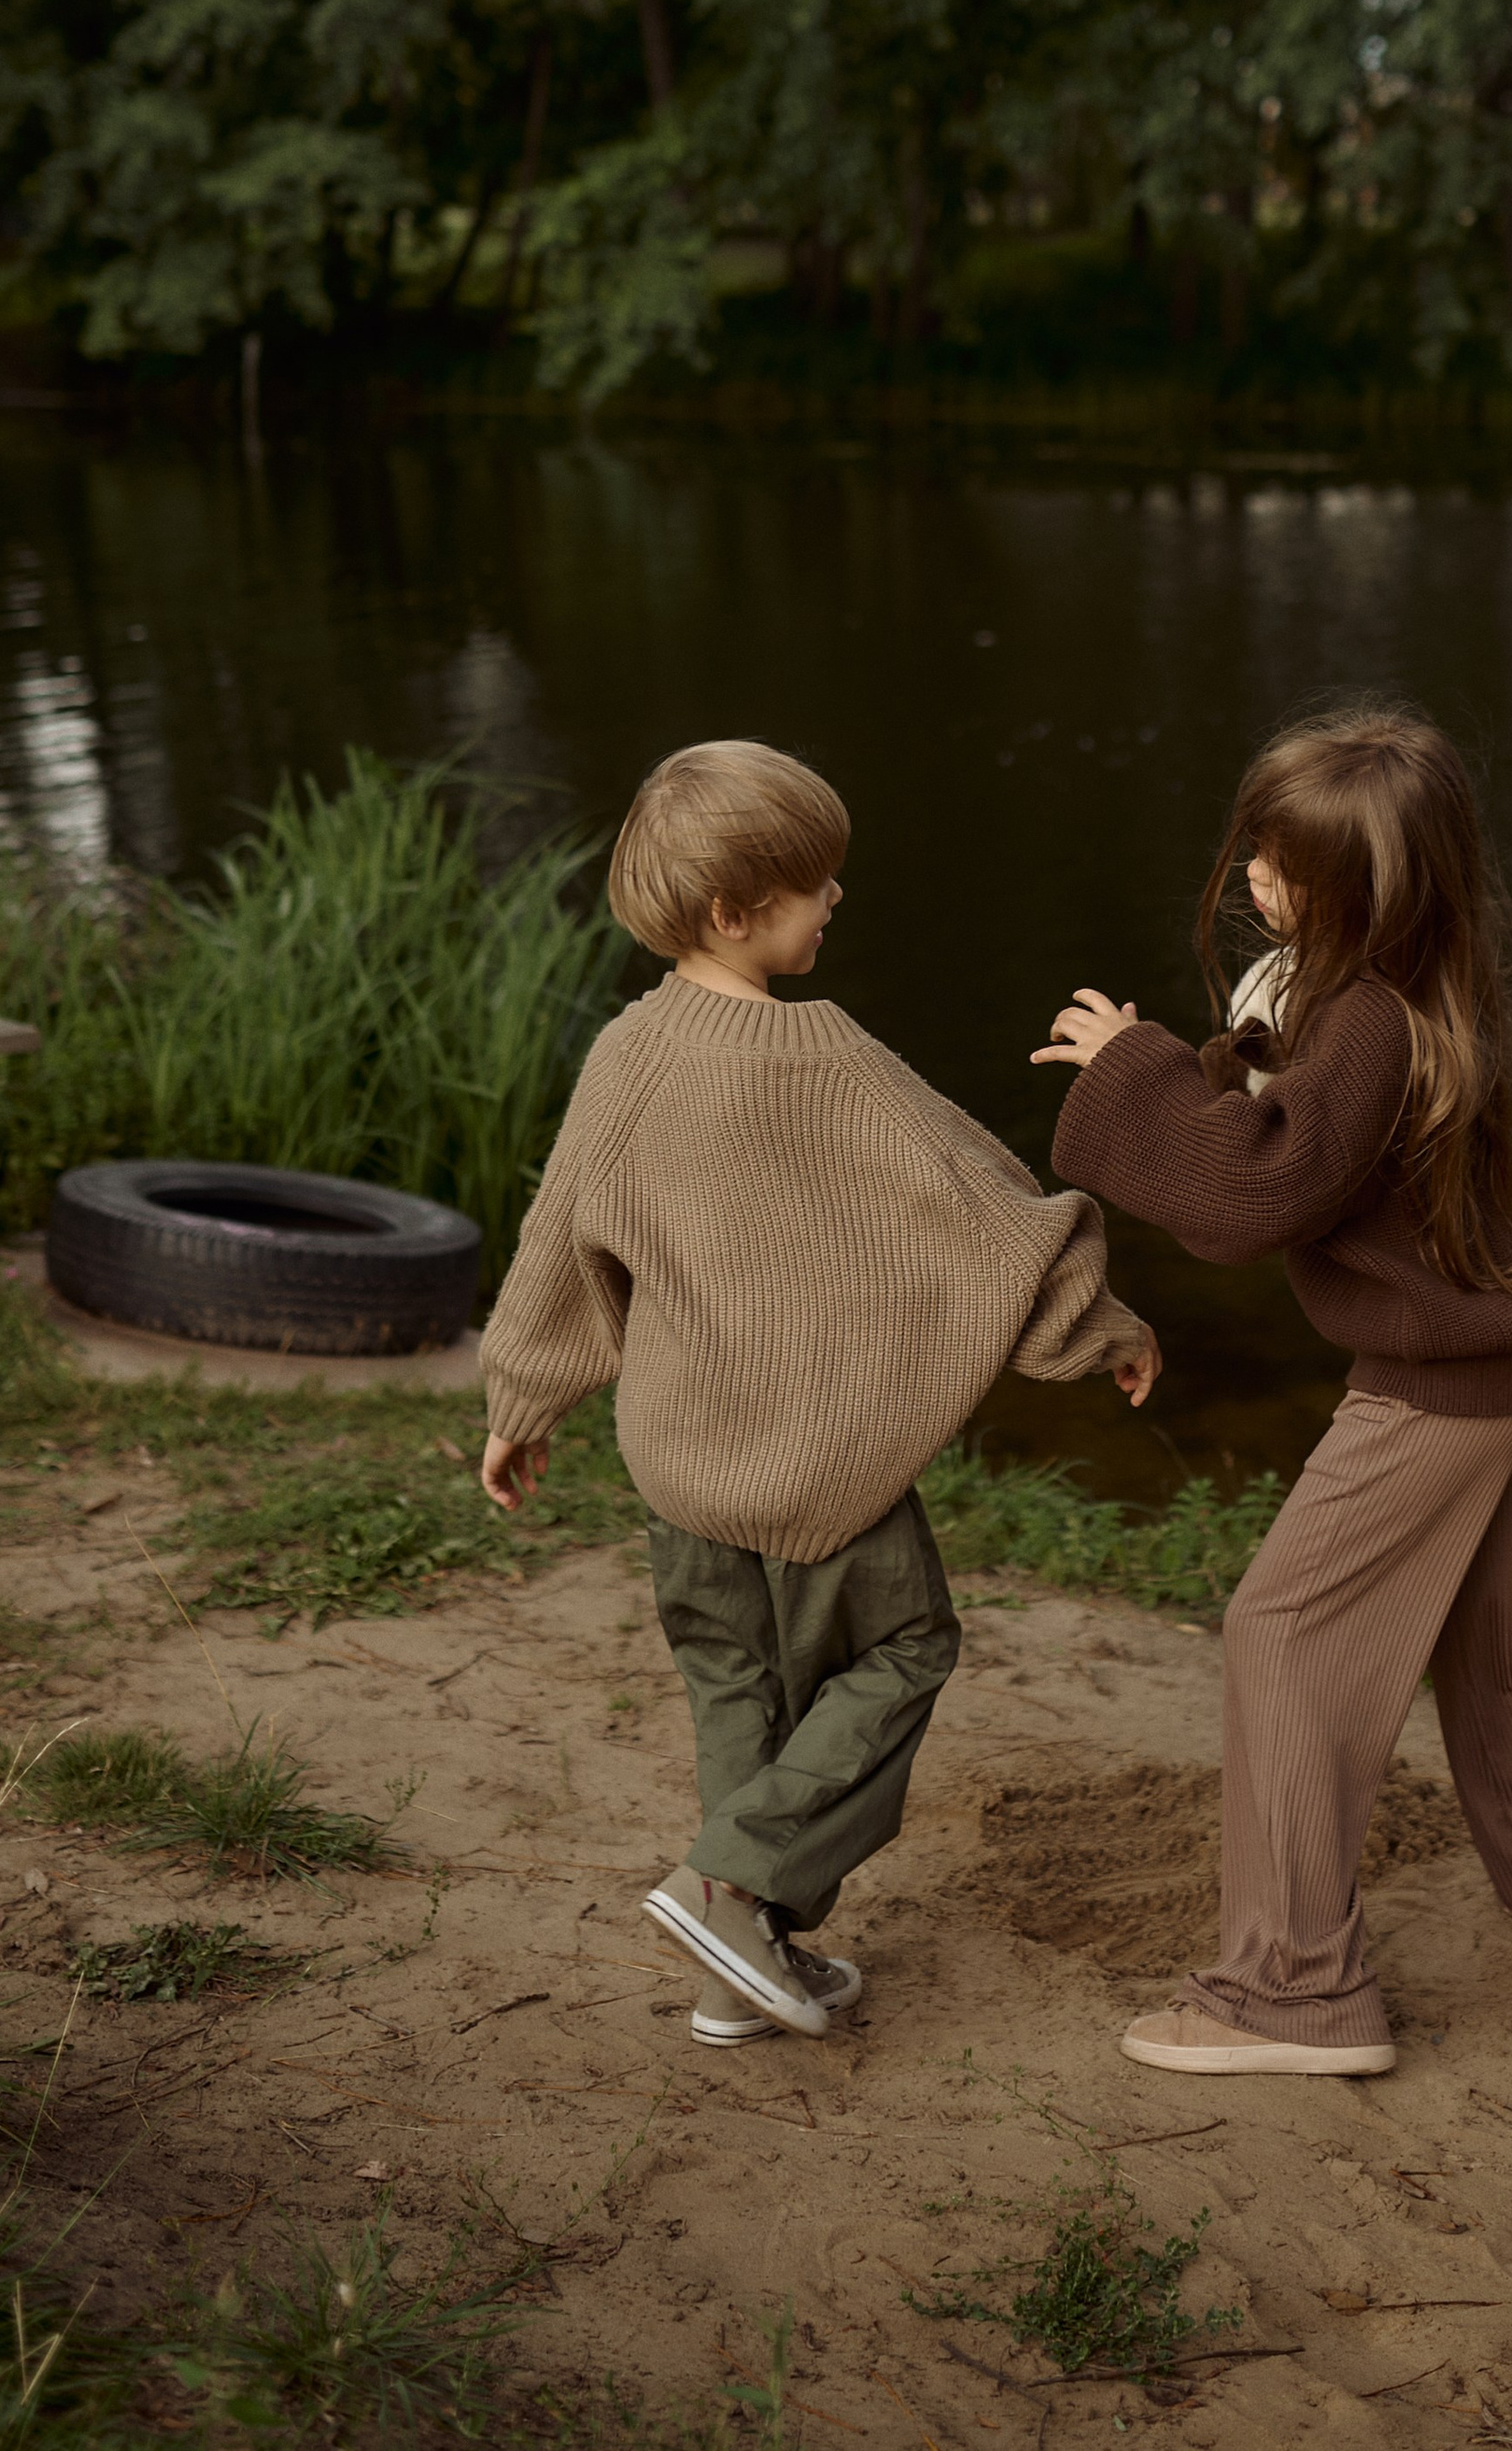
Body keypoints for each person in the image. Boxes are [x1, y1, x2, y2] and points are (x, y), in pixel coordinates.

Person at [1035, 702, 1512, 2080]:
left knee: (1283, 1633)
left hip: (1438, 1378)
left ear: (1371, 896)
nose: (1262, 883)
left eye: (1290, 869)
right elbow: (1290, 1111)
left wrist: (1134, 1071)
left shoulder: (1364, 1028)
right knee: (1489, 1637)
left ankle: (1291, 1995)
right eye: (1260, 852)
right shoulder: (1408, 988)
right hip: (1511, 1336)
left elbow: (1253, 1190)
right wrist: (1216, 1055)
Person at [480, 737, 1159, 2047]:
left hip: (680, 1464)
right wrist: (1096, 1325)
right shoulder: (833, 1057)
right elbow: (989, 1210)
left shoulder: (627, 1058)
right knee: (907, 1650)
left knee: (738, 1687)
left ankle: (736, 1964)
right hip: (821, 1472)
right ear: (738, 912)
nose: (836, 900)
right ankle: (729, 1886)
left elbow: (561, 1241)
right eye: (815, 884)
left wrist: (523, 1400)